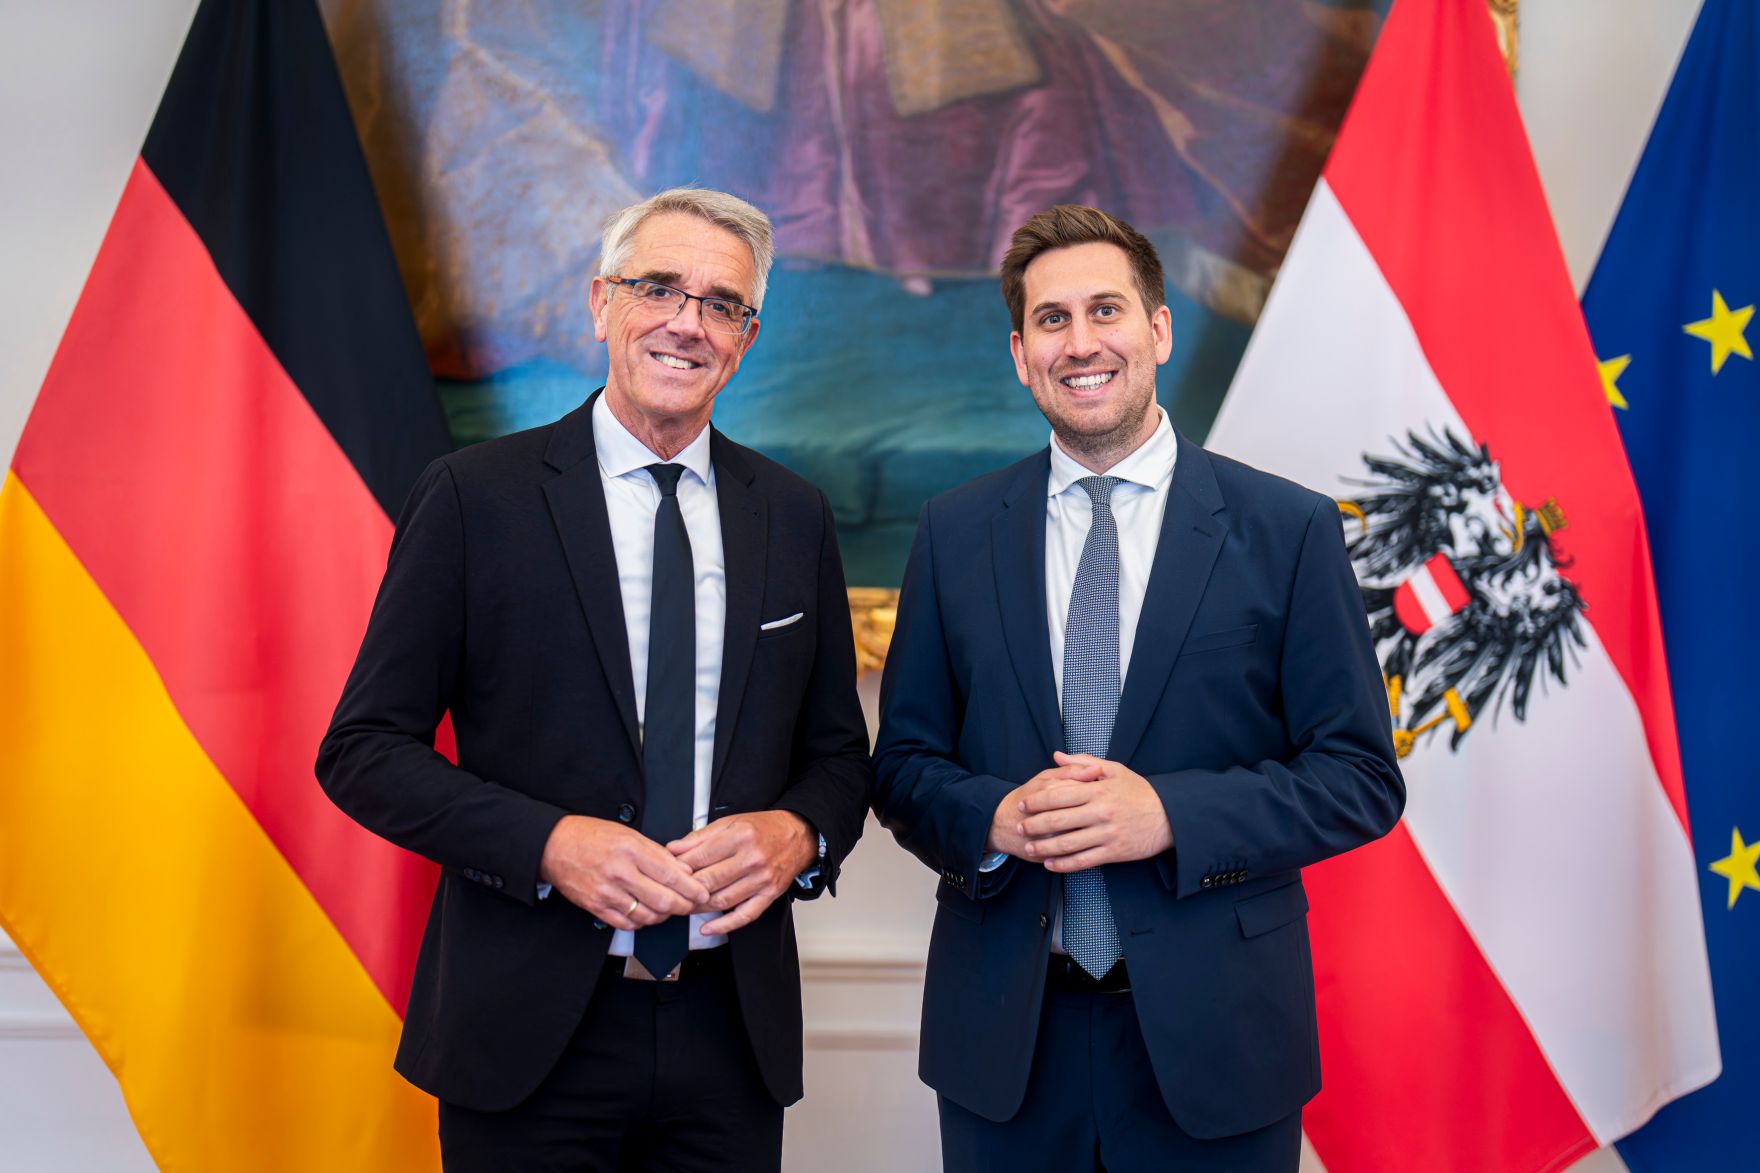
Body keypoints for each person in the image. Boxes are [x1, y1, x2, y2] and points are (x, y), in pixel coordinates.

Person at [317, 187, 872, 1172]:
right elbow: (362, 752)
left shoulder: (791, 516)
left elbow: (834, 755)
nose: (683, 322)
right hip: (524, 1036)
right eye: (657, 287)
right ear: (598, 303)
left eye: (718, 304)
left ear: (744, 337)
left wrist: (799, 834)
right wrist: (548, 844)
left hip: (729, 1037)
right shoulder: (472, 498)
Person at [872, 204, 1405, 1172]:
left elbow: (1359, 778)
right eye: (1050, 320)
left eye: (1105, 311)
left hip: (1218, 1043)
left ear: (1156, 330)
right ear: (1020, 352)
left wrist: (1168, 815)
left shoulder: (1283, 531)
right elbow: (903, 766)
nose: (1080, 343)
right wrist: (993, 818)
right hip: (1004, 1043)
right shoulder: (954, 533)